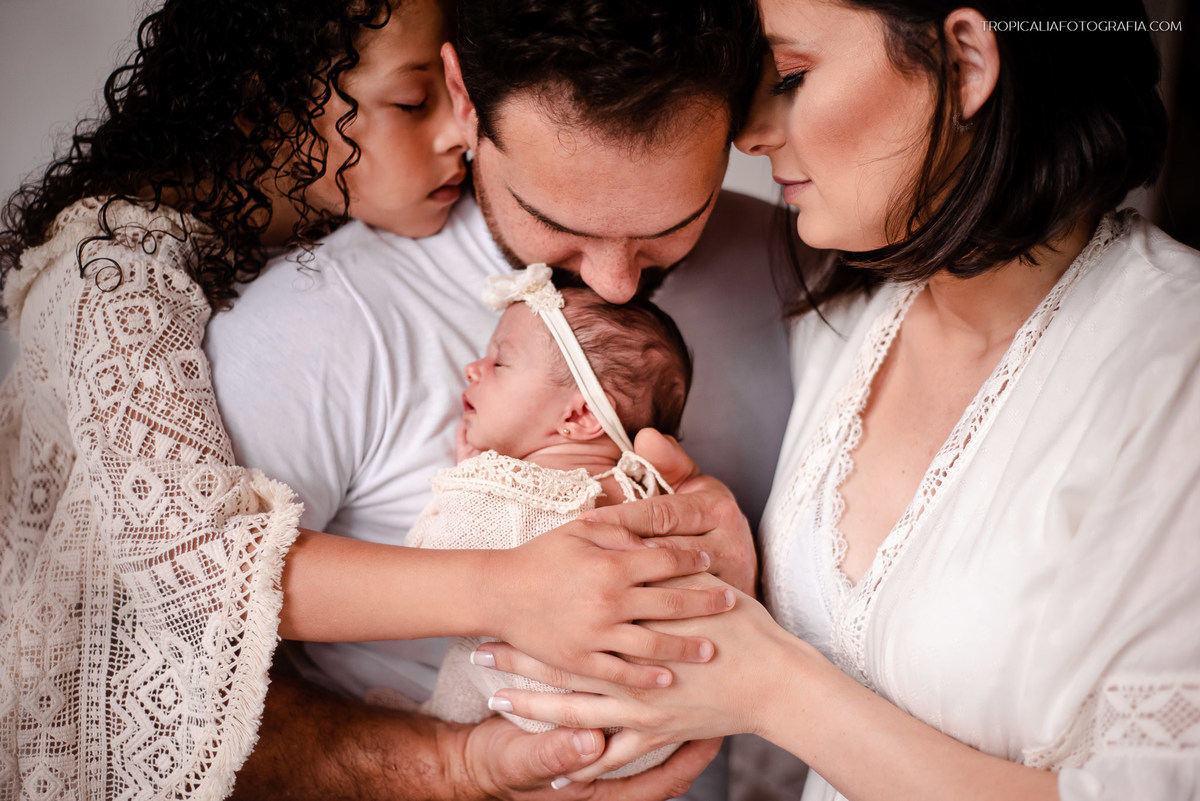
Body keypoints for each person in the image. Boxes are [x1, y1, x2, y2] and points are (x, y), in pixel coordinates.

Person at [0, 0, 736, 797]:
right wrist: (511, 592)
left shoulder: (278, 246)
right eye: (410, 103)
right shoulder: (125, 284)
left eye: (671, 226)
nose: (616, 282)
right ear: (268, 102)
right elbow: (186, 574)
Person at [474, 1, 1200, 799]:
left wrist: (771, 686)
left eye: (790, 76)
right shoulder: (843, 309)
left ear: (965, 63)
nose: (746, 132)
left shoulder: (1175, 366)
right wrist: (721, 565)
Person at [205, 1, 807, 798]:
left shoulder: (800, 269)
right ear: (463, 98)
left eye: (671, 225)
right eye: (557, 223)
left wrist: (748, 580)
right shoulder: (314, 326)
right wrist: (456, 769)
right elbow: (162, 685)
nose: (614, 281)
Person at [408, 265, 695, 780]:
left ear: (579, 416)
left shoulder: (511, 493)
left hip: (557, 718)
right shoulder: (644, 491)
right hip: (653, 730)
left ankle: (443, 721)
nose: (474, 368)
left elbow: (428, 553)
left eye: (501, 362)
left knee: (472, 646)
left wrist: (467, 477)